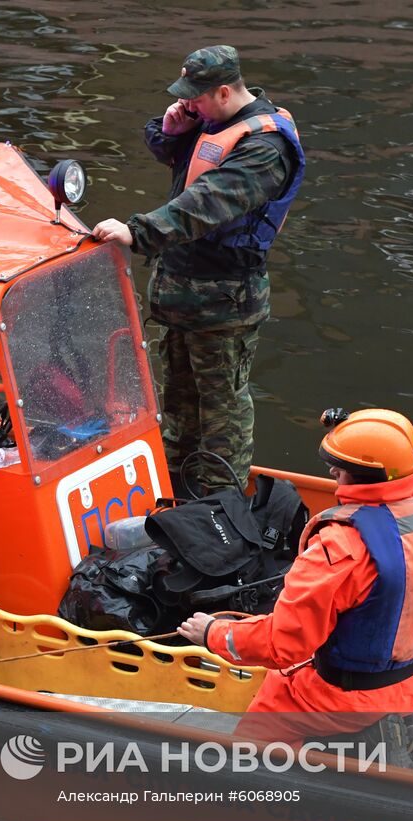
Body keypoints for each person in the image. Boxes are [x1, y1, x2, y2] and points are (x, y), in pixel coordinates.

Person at [177, 409, 413, 741]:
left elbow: (284, 645)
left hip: (343, 700)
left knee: (256, 734)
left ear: (355, 475)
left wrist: (213, 633)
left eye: (337, 467)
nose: (332, 472)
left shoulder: (338, 550)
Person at [93, 45, 305, 494]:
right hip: (180, 297)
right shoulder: (209, 121)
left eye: (196, 97)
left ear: (224, 91)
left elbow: (208, 201)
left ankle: (221, 504)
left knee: (222, 409)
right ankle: (174, 490)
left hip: (224, 301)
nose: (188, 103)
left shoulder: (265, 147)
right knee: (179, 407)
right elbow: (176, 159)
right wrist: (172, 129)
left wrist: (138, 231)